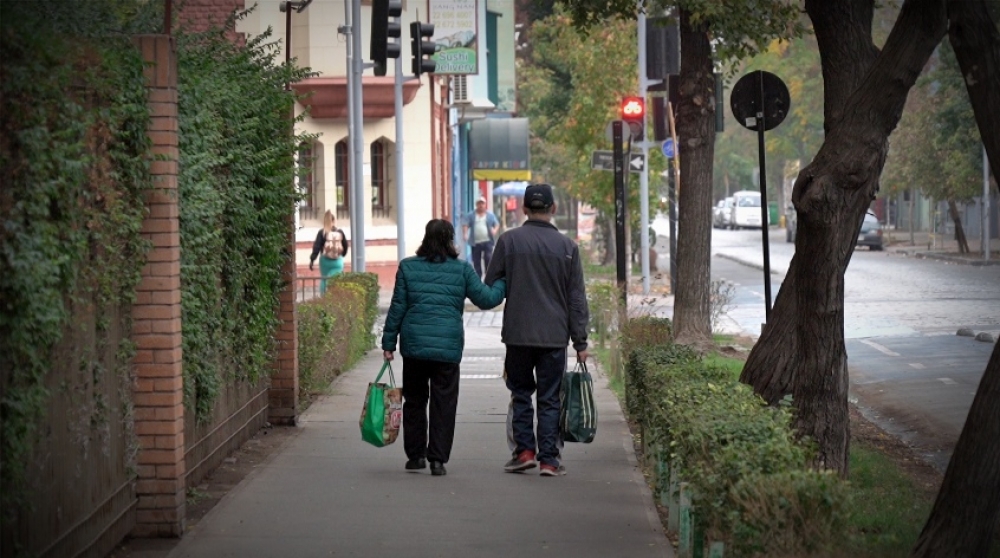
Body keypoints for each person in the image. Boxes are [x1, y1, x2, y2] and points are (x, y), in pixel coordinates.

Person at [381, 219, 507, 477]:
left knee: (415, 401)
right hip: (447, 349)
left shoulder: (408, 267)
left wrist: (388, 343)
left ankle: (415, 457)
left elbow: (397, 308)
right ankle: (437, 460)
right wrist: (504, 280)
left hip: (415, 347)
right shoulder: (462, 270)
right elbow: (486, 299)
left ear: (425, 238)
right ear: (451, 240)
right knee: (444, 403)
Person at [484, 183, 589, 477]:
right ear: (553, 209)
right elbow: (576, 298)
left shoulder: (509, 242)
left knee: (520, 393)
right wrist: (580, 341)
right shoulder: (568, 248)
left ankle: (525, 452)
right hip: (554, 336)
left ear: (525, 209)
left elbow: (492, 281)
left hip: (518, 334)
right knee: (550, 397)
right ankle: (549, 460)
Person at [309, 210, 349, 294]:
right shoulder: (340, 232)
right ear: (334, 221)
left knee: (324, 279)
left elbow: (316, 247)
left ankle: (324, 299)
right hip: (337, 262)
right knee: (337, 280)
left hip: (325, 261)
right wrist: (342, 254)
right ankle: (336, 299)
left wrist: (312, 260)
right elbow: (345, 246)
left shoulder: (321, 233)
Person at [462, 196, 500, 278]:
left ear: (485, 205)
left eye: (482, 203)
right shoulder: (471, 215)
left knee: (488, 258)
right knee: (476, 261)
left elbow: (496, 224)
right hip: (475, 242)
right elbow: (465, 224)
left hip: (487, 241)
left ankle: (489, 276)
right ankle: (478, 277)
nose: (481, 205)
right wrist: (465, 233)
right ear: (476, 205)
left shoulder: (490, 215)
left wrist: (494, 230)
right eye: (479, 203)